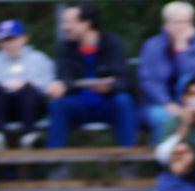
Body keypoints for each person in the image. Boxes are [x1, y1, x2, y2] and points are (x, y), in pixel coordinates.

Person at [45, 2, 136, 148]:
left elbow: (126, 80)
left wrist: (110, 87)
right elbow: (64, 78)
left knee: (123, 101)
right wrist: (60, 87)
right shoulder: (63, 48)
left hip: (107, 103)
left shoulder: (113, 43)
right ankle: (56, 164)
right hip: (77, 104)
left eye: (69, 23)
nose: (64, 27)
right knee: (58, 105)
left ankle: (128, 161)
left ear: (86, 24)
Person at [0, 19, 55, 149]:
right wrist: (4, 86)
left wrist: (28, 84)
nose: (9, 44)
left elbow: (50, 87)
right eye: (4, 40)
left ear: (24, 38)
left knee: (28, 90)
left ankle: (30, 135)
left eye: (13, 39)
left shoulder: (39, 59)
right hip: (4, 109)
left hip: (32, 108)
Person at [138, 1, 195, 142]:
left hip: (193, 102)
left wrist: (181, 49)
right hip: (157, 104)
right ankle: (163, 160)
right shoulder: (152, 46)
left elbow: (193, 77)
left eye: (186, 22)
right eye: (177, 22)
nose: (181, 27)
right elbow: (149, 81)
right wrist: (168, 103)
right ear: (166, 24)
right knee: (164, 118)